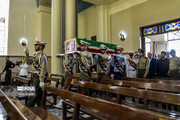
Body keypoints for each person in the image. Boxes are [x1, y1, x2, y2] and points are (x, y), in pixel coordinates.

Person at [25, 40, 48, 107]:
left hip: (39, 76)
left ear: (41, 46)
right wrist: (27, 54)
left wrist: (41, 80)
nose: (34, 46)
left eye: (36, 45)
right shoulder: (35, 55)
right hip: (35, 75)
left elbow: (43, 68)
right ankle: (40, 109)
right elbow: (28, 62)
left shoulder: (42, 55)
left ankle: (27, 110)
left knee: (33, 94)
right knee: (38, 94)